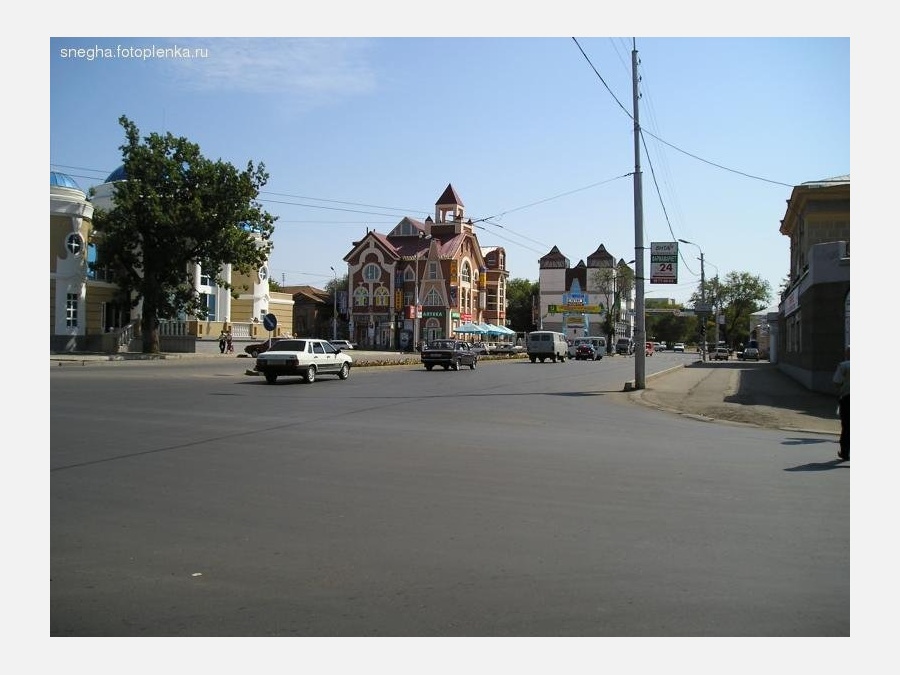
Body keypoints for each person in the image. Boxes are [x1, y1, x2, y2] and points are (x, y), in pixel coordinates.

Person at [832, 346, 850, 461]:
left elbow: (836, 381)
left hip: (848, 398)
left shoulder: (844, 365)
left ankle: (845, 452)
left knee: (847, 426)